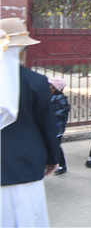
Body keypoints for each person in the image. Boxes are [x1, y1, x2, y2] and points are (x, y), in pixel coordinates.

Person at [1, 18, 59, 227]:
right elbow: (47, 126)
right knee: (27, 216)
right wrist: (52, 157)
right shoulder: (36, 82)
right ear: (21, 49)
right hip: (26, 161)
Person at [49, 77, 70, 175]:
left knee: (56, 147)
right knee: (51, 146)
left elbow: (65, 108)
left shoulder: (60, 97)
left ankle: (62, 166)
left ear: (54, 88)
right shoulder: (51, 96)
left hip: (58, 127)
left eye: (50, 85)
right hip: (51, 126)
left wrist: (53, 114)